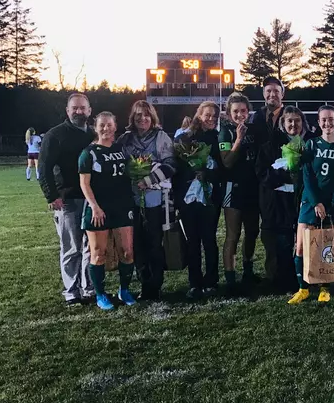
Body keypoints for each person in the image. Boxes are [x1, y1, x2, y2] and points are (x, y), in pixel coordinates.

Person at [289, 105, 334, 304]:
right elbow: (307, 176)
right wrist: (316, 202)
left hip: (332, 204)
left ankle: (325, 287)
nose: (327, 123)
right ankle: (303, 288)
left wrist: (333, 203)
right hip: (310, 202)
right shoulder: (311, 145)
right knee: (300, 247)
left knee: (327, 247)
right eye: (323, 120)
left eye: (331, 119)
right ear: (318, 122)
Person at [39, 93, 95, 306]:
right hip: (68, 199)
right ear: (67, 110)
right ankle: (71, 290)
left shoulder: (93, 133)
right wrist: (52, 195)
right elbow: (43, 168)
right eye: (75, 108)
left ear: (90, 111)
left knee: (91, 247)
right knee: (72, 247)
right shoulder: (55, 135)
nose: (79, 112)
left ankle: (88, 287)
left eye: (83, 108)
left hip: (92, 200)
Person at [78, 112, 136, 311]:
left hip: (122, 206)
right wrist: (94, 206)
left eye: (109, 125)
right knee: (98, 253)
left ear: (115, 126)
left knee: (127, 252)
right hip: (99, 209)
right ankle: (101, 294)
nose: (106, 129)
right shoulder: (89, 153)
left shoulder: (122, 149)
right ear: (96, 127)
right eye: (102, 125)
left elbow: (131, 173)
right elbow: (84, 183)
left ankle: (124, 290)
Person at [118, 100, 176, 301]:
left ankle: (155, 284)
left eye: (146, 115)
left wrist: (149, 179)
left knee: (154, 243)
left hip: (155, 199)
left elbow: (171, 165)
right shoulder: (125, 139)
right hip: (131, 201)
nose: (142, 118)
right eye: (138, 115)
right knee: (136, 244)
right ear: (132, 118)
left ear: (152, 117)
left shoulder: (161, 137)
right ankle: (144, 282)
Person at [174, 100, 224, 299]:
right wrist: (192, 172)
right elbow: (177, 169)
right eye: (207, 115)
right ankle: (194, 282)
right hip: (188, 197)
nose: (210, 119)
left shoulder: (218, 137)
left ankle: (212, 281)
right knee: (192, 241)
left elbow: (224, 168)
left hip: (210, 197)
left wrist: (208, 175)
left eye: (214, 116)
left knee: (209, 240)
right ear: (199, 115)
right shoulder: (185, 137)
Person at [257, 105, 309, 294]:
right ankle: (281, 281)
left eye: (297, 120)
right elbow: (262, 174)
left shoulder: (311, 143)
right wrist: (285, 174)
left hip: (304, 200)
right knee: (281, 242)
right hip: (278, 203)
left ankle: (306, 278)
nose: (293, 124)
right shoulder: (270, 145)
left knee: (304, 241)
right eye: (289, 120)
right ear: (282, 124)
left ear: (303, 123)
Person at [219, 93, 261, 293]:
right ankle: (230, 278)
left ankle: (248, 271)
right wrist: (239, 139)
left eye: (243, 110)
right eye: (235, 111)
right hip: (233, 188)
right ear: (229, 113)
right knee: (233, 234)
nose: (240, 114)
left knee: (252, 232)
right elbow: (227, 162)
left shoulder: (253, 130)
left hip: (252, 188)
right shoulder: (225, 132)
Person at [245, 77, 285, 150]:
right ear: (263, 94)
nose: (272, 94)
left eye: (276, 91)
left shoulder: (290, 115)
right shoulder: (256, 116)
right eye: (268, 91)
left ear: (282, 94)